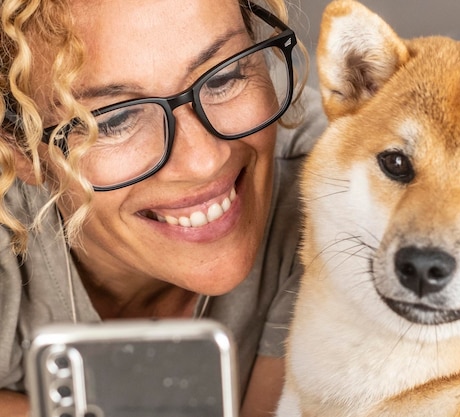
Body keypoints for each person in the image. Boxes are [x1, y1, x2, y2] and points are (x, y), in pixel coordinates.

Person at [0, 0, 326, 416]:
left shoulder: (339, 194)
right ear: (21, 149)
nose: (203, 160)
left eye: (224, 76)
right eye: (115, 120)